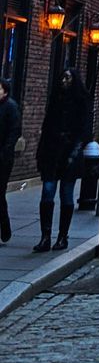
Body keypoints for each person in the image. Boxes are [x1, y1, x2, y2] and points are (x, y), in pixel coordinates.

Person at [34, 68, 91, 252]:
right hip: (51, 153)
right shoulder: (55, 100)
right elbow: (46, 125)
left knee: (66, 195)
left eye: (67, 78)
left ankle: (62, 236)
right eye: (62, 77)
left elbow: (84, 132)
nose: (64, 81)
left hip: (69, 155)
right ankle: (45, 236)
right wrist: (41, 152)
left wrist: (74, 154)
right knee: (47, 192)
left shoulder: (80, 102)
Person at [0, 79, 21, 244]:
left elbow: (14, 132)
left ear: (5, 91)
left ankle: (4, 226)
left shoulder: (11, 107)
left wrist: (5, 152)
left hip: (3, 159)